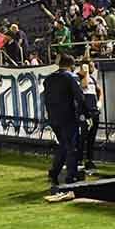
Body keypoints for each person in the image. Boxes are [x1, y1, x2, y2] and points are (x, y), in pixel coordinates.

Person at [42, 53, 86, 191]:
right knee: (71, 147)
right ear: (71, 65)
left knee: (63, 145)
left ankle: (54, 173)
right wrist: (85, 114)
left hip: (54, 118)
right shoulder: (70, 77)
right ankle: (70, 177)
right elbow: (79, 97)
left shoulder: (48, 79)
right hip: (68, 117)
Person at [77, 62, 102, 173]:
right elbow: (84, 86)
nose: (92, 68)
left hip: (94, 111)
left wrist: (100, 102)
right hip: (84, 112)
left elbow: (99, 91)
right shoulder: (78, 77)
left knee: (91, 138)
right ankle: (79, 161)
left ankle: (89, 160)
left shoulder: (92, 78)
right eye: (89, 66)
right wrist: (85, 73)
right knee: (83, 137)